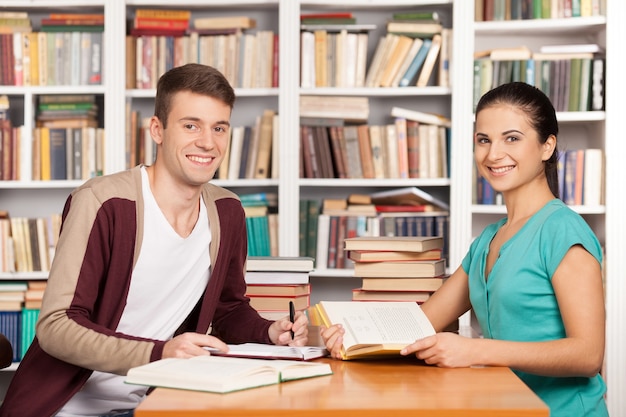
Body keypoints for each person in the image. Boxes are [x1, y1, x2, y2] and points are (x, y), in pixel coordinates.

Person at [0, 63, 308, 417]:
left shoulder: (228, 211)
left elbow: (228, 309)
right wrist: (159, 353)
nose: (208, 142)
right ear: (157, 130)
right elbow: (57, 326)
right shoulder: (104, 203)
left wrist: (270, 331)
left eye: (219, 128)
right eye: (191, 125)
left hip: (153, 404)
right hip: (64, 408)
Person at [321, 82, 608, 417]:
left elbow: (588, 356)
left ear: (547, 146)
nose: (493, 154)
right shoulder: (487, 240)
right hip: (507, 408)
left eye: (511, 138)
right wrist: (351, 337)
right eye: (483, 140)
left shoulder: (563, 230)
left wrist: (476, 351)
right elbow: (422, 324)